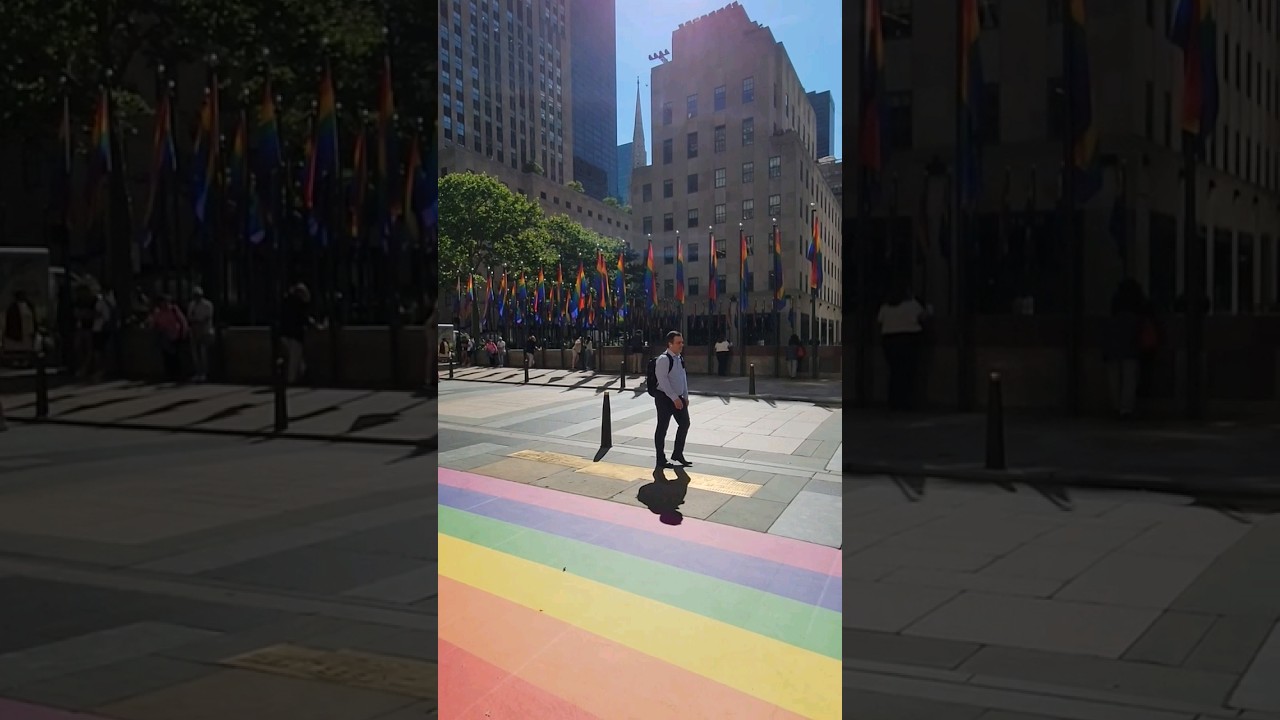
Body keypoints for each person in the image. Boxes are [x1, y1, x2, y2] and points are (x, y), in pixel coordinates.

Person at [876, 285, 929, 411]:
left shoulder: (885, 307)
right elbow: (924, 316)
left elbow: (879, 321)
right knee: (908, 372)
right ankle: (906, 403)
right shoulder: (912, 305)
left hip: (889, 340)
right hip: (909, 339)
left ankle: (893, 402)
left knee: (895, 372)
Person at [652, 330, 693, 471]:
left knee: (685, 423)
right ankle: (660, 458)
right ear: (670, 344)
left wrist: (685, 396)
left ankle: (677, 454)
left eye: (682, 342)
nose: (681, 345)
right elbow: (662, 381)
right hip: (664, 398)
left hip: (678, 397)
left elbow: (683, 377)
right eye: (678, 342)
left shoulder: (679, 358)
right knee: (662, 427)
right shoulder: (664, 359)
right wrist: (674, 397)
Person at [1104, 279, 1143, 419]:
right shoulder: (1136, 315)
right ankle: (1126, 409)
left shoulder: (1115, 312)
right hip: (1130, 348)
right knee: (1129, 378)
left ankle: (1116, 407)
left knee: (1115, 378)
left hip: (1113, 347)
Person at [281, 283, 322, 385]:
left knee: (296, 358)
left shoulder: (287, 302)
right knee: (295, 358)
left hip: (284, 334)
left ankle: (304, 374)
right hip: (295, 335)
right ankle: (292, 380)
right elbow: (303, 318)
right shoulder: (298, 304)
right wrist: (314, 325)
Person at [148, 295, 189, 382]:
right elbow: (154, 324)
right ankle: (169, 375)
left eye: (166, 302)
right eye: (162, 302)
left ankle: (178, 375)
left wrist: (183, 333)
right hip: (165, 337)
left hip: (176, 335)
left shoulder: (174, 310)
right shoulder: (158, 312)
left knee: (176, 356)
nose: (164, 304)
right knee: (166, 357)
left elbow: (183, 321)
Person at [186, 287, 215, 382]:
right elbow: (189, 317)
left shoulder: (207, 305)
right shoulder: (191, 305)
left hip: (205, 331)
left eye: (198, 296)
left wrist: (199, 323)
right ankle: (197, 372)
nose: (196, 298)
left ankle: (204, 373)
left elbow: (207, 318)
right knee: (195, 353)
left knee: (203, 353)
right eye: (195, 296)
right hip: (194, 331)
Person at [2, 291, 36, 366]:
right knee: (16, 348)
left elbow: (32, 319)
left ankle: (25, 361)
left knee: (26, 348)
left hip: (27, 331)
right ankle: (16, 362)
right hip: (16, 332)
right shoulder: (12, 308)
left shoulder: (29, 306)